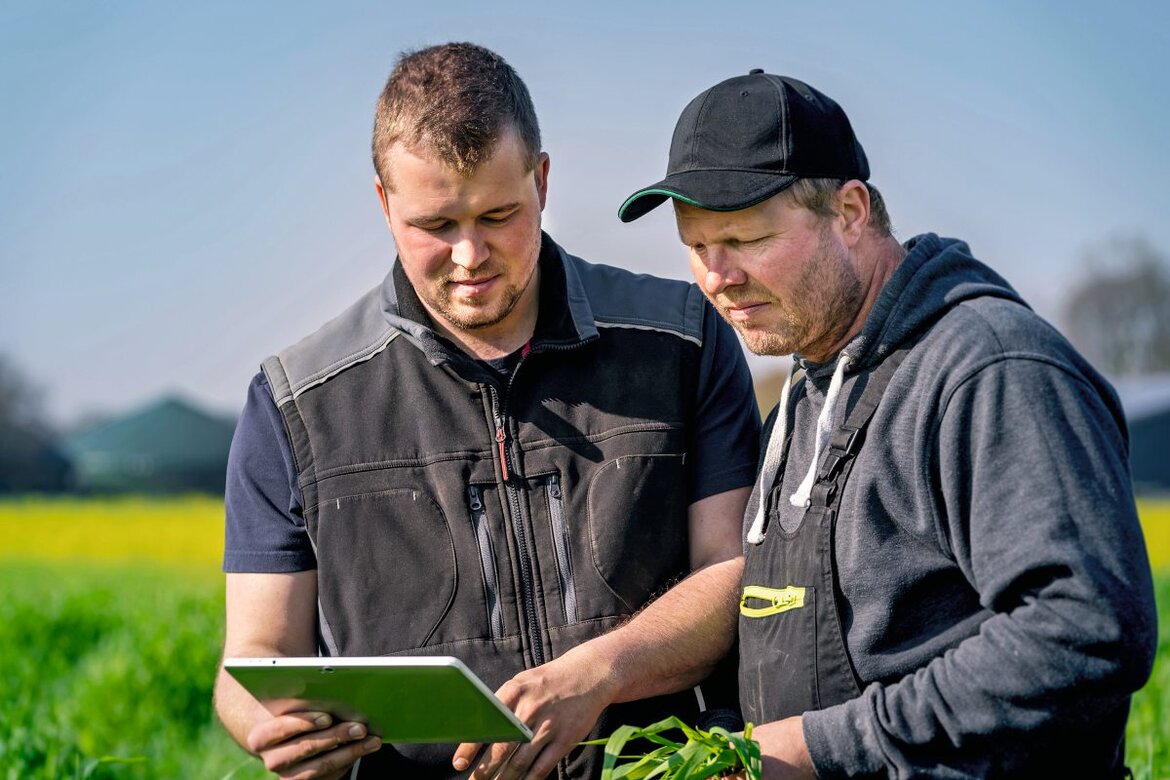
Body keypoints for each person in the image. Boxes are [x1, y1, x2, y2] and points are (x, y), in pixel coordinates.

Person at [213, 43, 761, 780]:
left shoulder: (683, 341)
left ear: (541, 181)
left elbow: (734, 574)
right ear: (384, 204)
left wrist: (601, 673)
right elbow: (253, 659)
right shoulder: (296, 403)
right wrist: (267, 725)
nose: (470, 255)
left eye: (498, 214)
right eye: (436, 225)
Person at [618, 70, 1159, 778]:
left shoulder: (990, 370)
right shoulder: (798, 405)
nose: (718, 276)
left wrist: (818, 747)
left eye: (745, 238)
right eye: (698, 246)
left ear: (849, 212)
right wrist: (727, 744)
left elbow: (1084, 628)